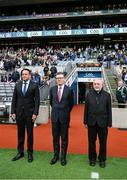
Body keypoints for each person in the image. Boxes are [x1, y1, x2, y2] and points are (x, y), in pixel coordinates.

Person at [11, 68, 40, 163]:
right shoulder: (17, 84)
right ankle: (20, 152)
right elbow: (14, 99)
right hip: (19, 113)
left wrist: (35, 113)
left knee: (30, 134)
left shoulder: (34, 85)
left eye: (26, 74)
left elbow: (37, 101)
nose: (24, 76)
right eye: (23, 74)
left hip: (30, 114)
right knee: (20, 133)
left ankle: (30, 153)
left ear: (30, 75)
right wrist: (13, 112)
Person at [84, 79, 112, 168]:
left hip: (103, 123)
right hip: (91, 123)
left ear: (102, 84)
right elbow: (86, 109)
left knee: (103, 143)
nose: (96, 85)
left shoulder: (107, 95)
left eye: (98, 84)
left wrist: (109, 123)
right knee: (91, 142)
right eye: (95, 84)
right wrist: (85, 121)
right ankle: (92, 159)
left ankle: (102, 159)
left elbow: (109, 110)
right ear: (93, 84)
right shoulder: (89, 94)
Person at [50, 72, 74, 166]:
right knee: (55, 138)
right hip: (55, 117)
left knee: (64, 138)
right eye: (57, 78)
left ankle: (63, 157)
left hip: (65, 117)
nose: (59, 79)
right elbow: (52, 103)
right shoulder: (52, 89)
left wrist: (65, 112)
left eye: (60, 78)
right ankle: (56, 156)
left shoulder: (69, 90)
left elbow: (71, 104)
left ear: (64, 79)